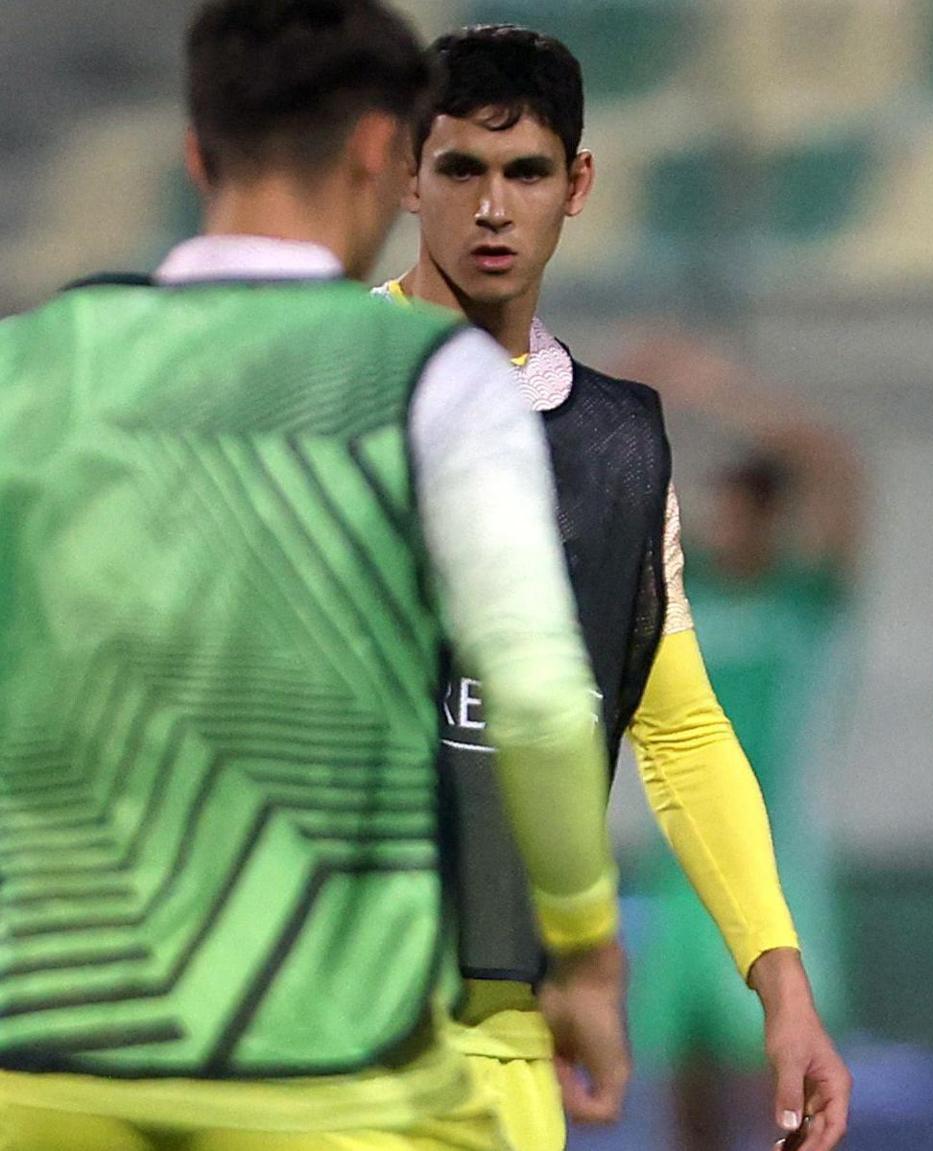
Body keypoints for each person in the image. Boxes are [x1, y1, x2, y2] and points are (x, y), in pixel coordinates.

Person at [0, 2, 629, 1148]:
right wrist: (583, 944)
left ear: (195, 155)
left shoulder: (26, 368)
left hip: (43, 1068)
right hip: (323, 1069)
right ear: (378, 156)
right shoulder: (431, 380)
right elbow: (535, 694)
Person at [376, 25, 849, 1151]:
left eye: (525, 171)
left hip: (507, 1026)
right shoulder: (321, 379)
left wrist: (779, 978)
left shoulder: (620, 448)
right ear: (406, 175)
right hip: (317, 1009)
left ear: (576, 184)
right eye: (460, 170)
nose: (494, 208)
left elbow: (678, 729)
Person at [606, 338, 862, 1151]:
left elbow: (833, 466)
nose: (720, 524)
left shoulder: (803, 597)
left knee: (777, 1085)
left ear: (769, 517)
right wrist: (620, 399)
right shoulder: (688, 595)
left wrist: (713, 385)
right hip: (679, 869)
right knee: (685, 1097)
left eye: (737, 509)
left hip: (778, 864)